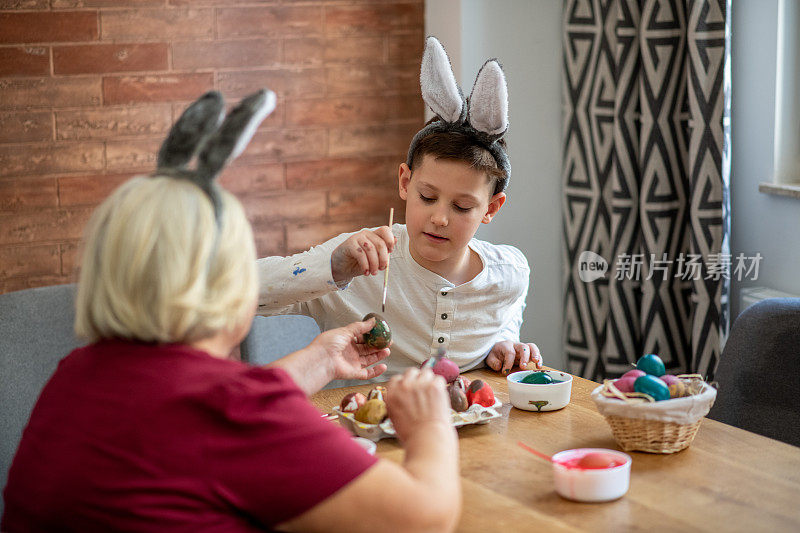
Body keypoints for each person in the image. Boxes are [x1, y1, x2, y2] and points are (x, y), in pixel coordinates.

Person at [2, 91, 461, 532]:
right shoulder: (230, 411)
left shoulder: (75, 375)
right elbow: (424, 518)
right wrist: (430, 425)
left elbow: (209, 414)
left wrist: (321, 359)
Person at [257, 37, 543, 378]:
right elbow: (240, 291)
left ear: (491, 208)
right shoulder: (359, 262)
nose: (439, 218)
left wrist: (506, 344)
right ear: (405, 182)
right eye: (427, 197)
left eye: (463, 206)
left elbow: (506, 322)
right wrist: (333, 267)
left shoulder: (510, 273)